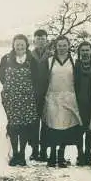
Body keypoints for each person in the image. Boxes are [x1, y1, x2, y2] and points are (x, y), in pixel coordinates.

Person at [0, 34, 40, 166]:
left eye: (22, 44)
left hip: (27, 98)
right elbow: (0, 76)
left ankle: (22, 154)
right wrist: (11, 89)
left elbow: (36, 77)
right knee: (14, 126)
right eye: (17, 44)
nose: (19, 47)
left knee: (25, 126)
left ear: (26, 45)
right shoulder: (6, 58)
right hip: (11, 98)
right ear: (13, 45)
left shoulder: (31, 60)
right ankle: (15, 154)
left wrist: (26, 90)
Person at [42, 35, 82, 168]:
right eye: (59, 45)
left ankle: (61, 155)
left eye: (64, 45)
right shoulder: (49, 61)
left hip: (69, 97)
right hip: (53, 97)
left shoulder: (75, 60)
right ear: (55, 46)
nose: (62, 48)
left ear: (69, 46)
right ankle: (52, 156)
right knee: (53, 128)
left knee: (65, 127)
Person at [74, 41, 91, 167]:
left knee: (89, 131)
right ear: (79, 52)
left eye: (87, 50)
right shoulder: (75, 66)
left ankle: (88, 154)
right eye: (82, 50)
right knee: (79, 131)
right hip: (78, 103)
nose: (85, 53)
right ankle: (80, 154)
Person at [31, 29, 52, 161]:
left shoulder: (51, 56)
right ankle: (34, 150)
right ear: (34, 41)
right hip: (33, 95)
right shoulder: (30, 56)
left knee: (46, 123)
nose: (40, 41)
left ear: (46, 41)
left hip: (47, 94)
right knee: (34, 124)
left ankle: (44, 150)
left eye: (43, 39)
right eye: (38, 39)